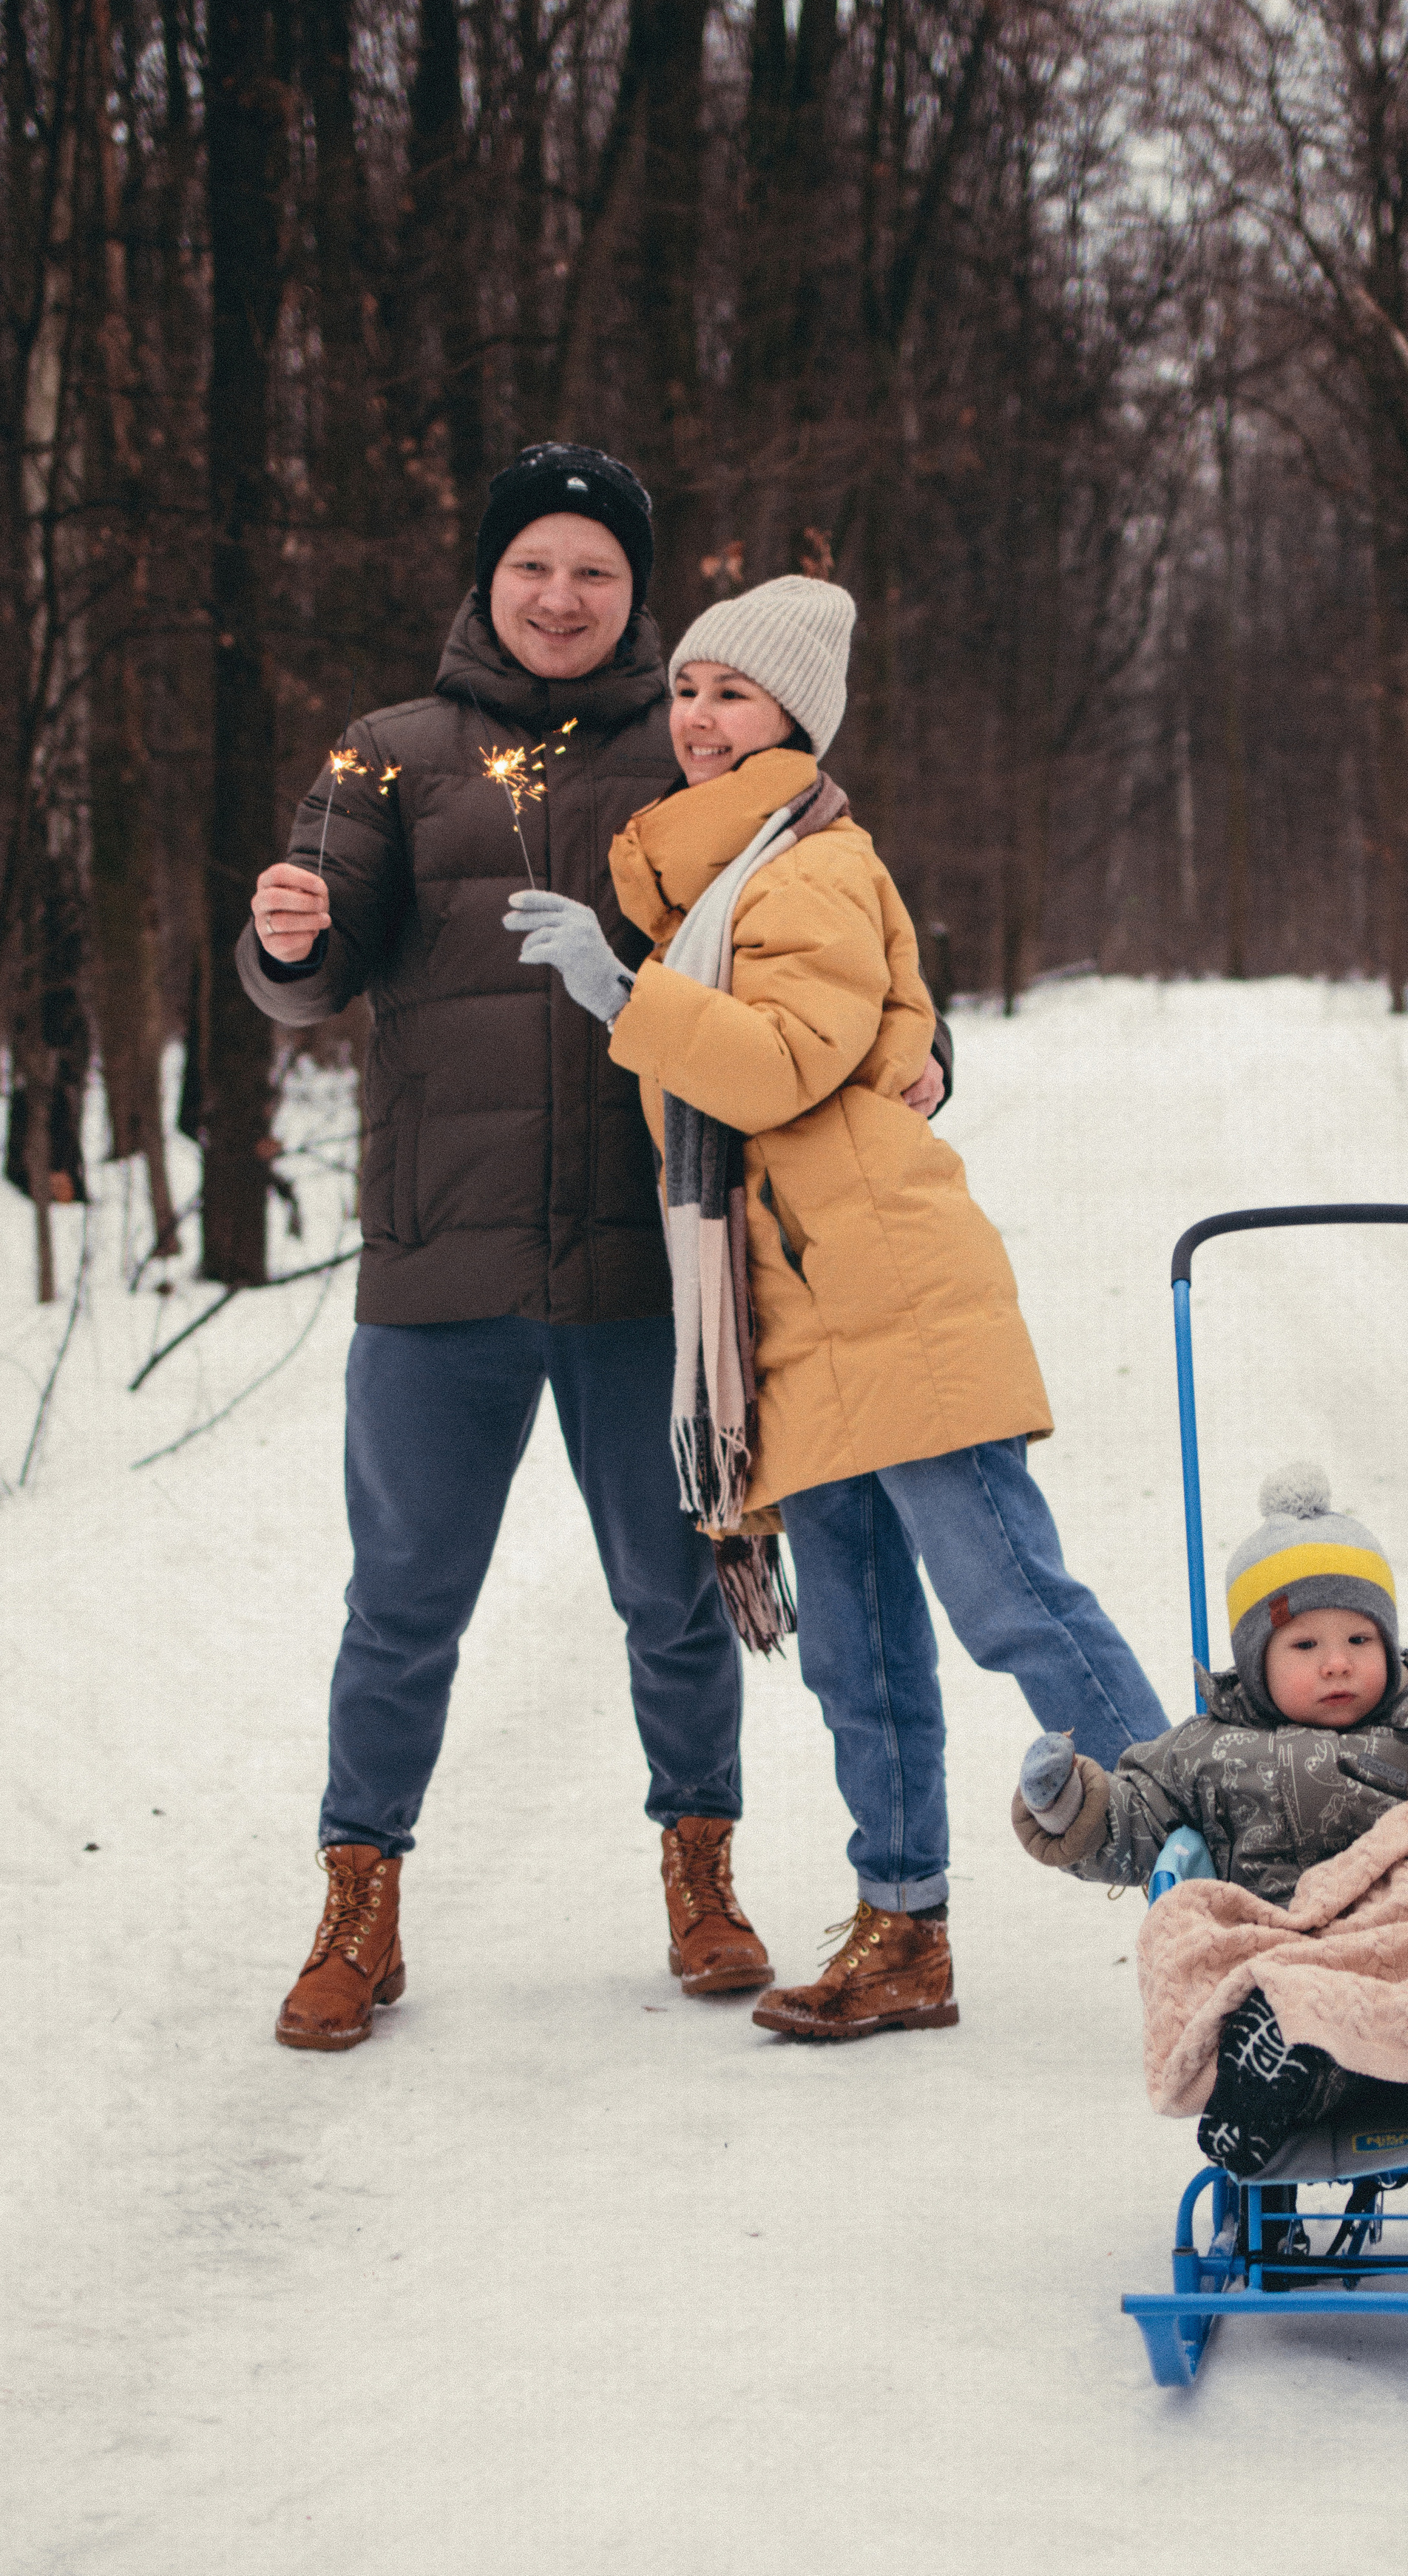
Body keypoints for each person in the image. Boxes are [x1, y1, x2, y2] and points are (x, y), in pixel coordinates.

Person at [240, 444, 947, 2054]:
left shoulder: (700, 748)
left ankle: (699, 1867)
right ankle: (362, 1901)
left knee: (677, 1588)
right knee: (404, 1597)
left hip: (651, 1260)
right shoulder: (387, 755)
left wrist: (917, 1048)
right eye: (533, 567)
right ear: (486, 579)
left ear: (636, 594)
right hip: (440, 1255)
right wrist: (284, 943)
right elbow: (311, 957)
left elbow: (842, 930)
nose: (561, 597)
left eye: (596, 573)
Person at [507, 572, 1171, 2043]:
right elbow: (887, 1032)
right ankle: (902, 1930)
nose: (693, 716)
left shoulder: (802, 866)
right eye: (682, 688)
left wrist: (623, 996)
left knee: (1008, 1602)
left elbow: (788, 1062)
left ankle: (1213, 1875)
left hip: (883, 1289)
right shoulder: (722, 877)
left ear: (793, 713)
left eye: (728, 692)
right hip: (791, 1315)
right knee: (855, 1650)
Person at [1011, 1463, 1408, 2169]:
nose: (1337, 1665)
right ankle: (1285, 2077)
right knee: (1275, 1985)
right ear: (1257, 1662)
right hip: (1289, 1953)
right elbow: (1134, 1826)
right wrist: (1073, 1803)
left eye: (1359, 1641)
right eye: (1305, 1647)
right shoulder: (1205, 1752)